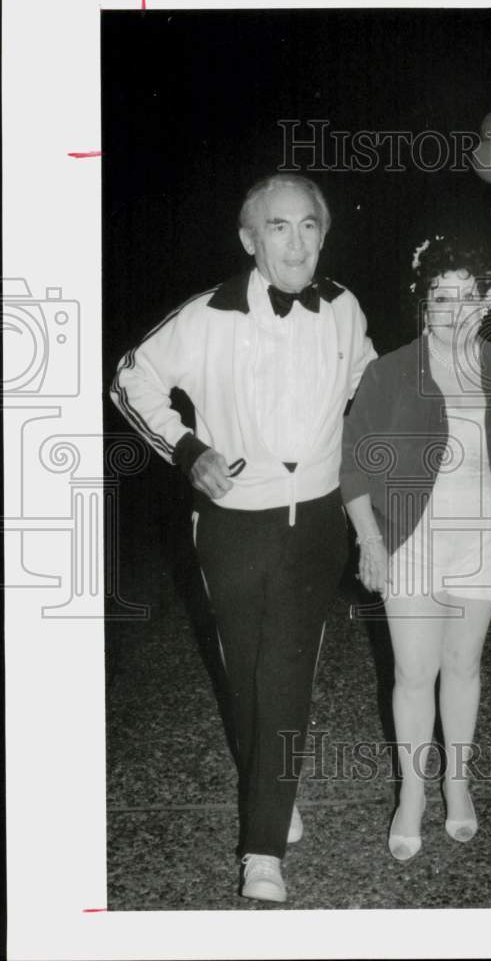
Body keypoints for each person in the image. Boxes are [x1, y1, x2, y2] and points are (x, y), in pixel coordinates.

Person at [110, 173, 376, 902]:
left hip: (316, 523)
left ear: (323, 233)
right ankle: (270, 784)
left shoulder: (344, 309)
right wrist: (187, 449)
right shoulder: (207, 315)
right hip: (231, 527)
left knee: (285, 674)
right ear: (250, 239)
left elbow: (369, 385)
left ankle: (262, 848)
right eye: (278, 227)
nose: (295, 242)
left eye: (308, 226)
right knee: (243, 676)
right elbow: (132, 380)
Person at [340, 234, 491, 861]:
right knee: (413, 674)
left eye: (469, 296)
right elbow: (353, 464)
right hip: (409, 542)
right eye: (443, 296)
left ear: (487, 301)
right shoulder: (389, 371)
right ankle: (412, 792)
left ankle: (457, 783)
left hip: (484, 539)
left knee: (464, 667)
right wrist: (370, 542)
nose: (456, 310)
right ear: (423, 302)